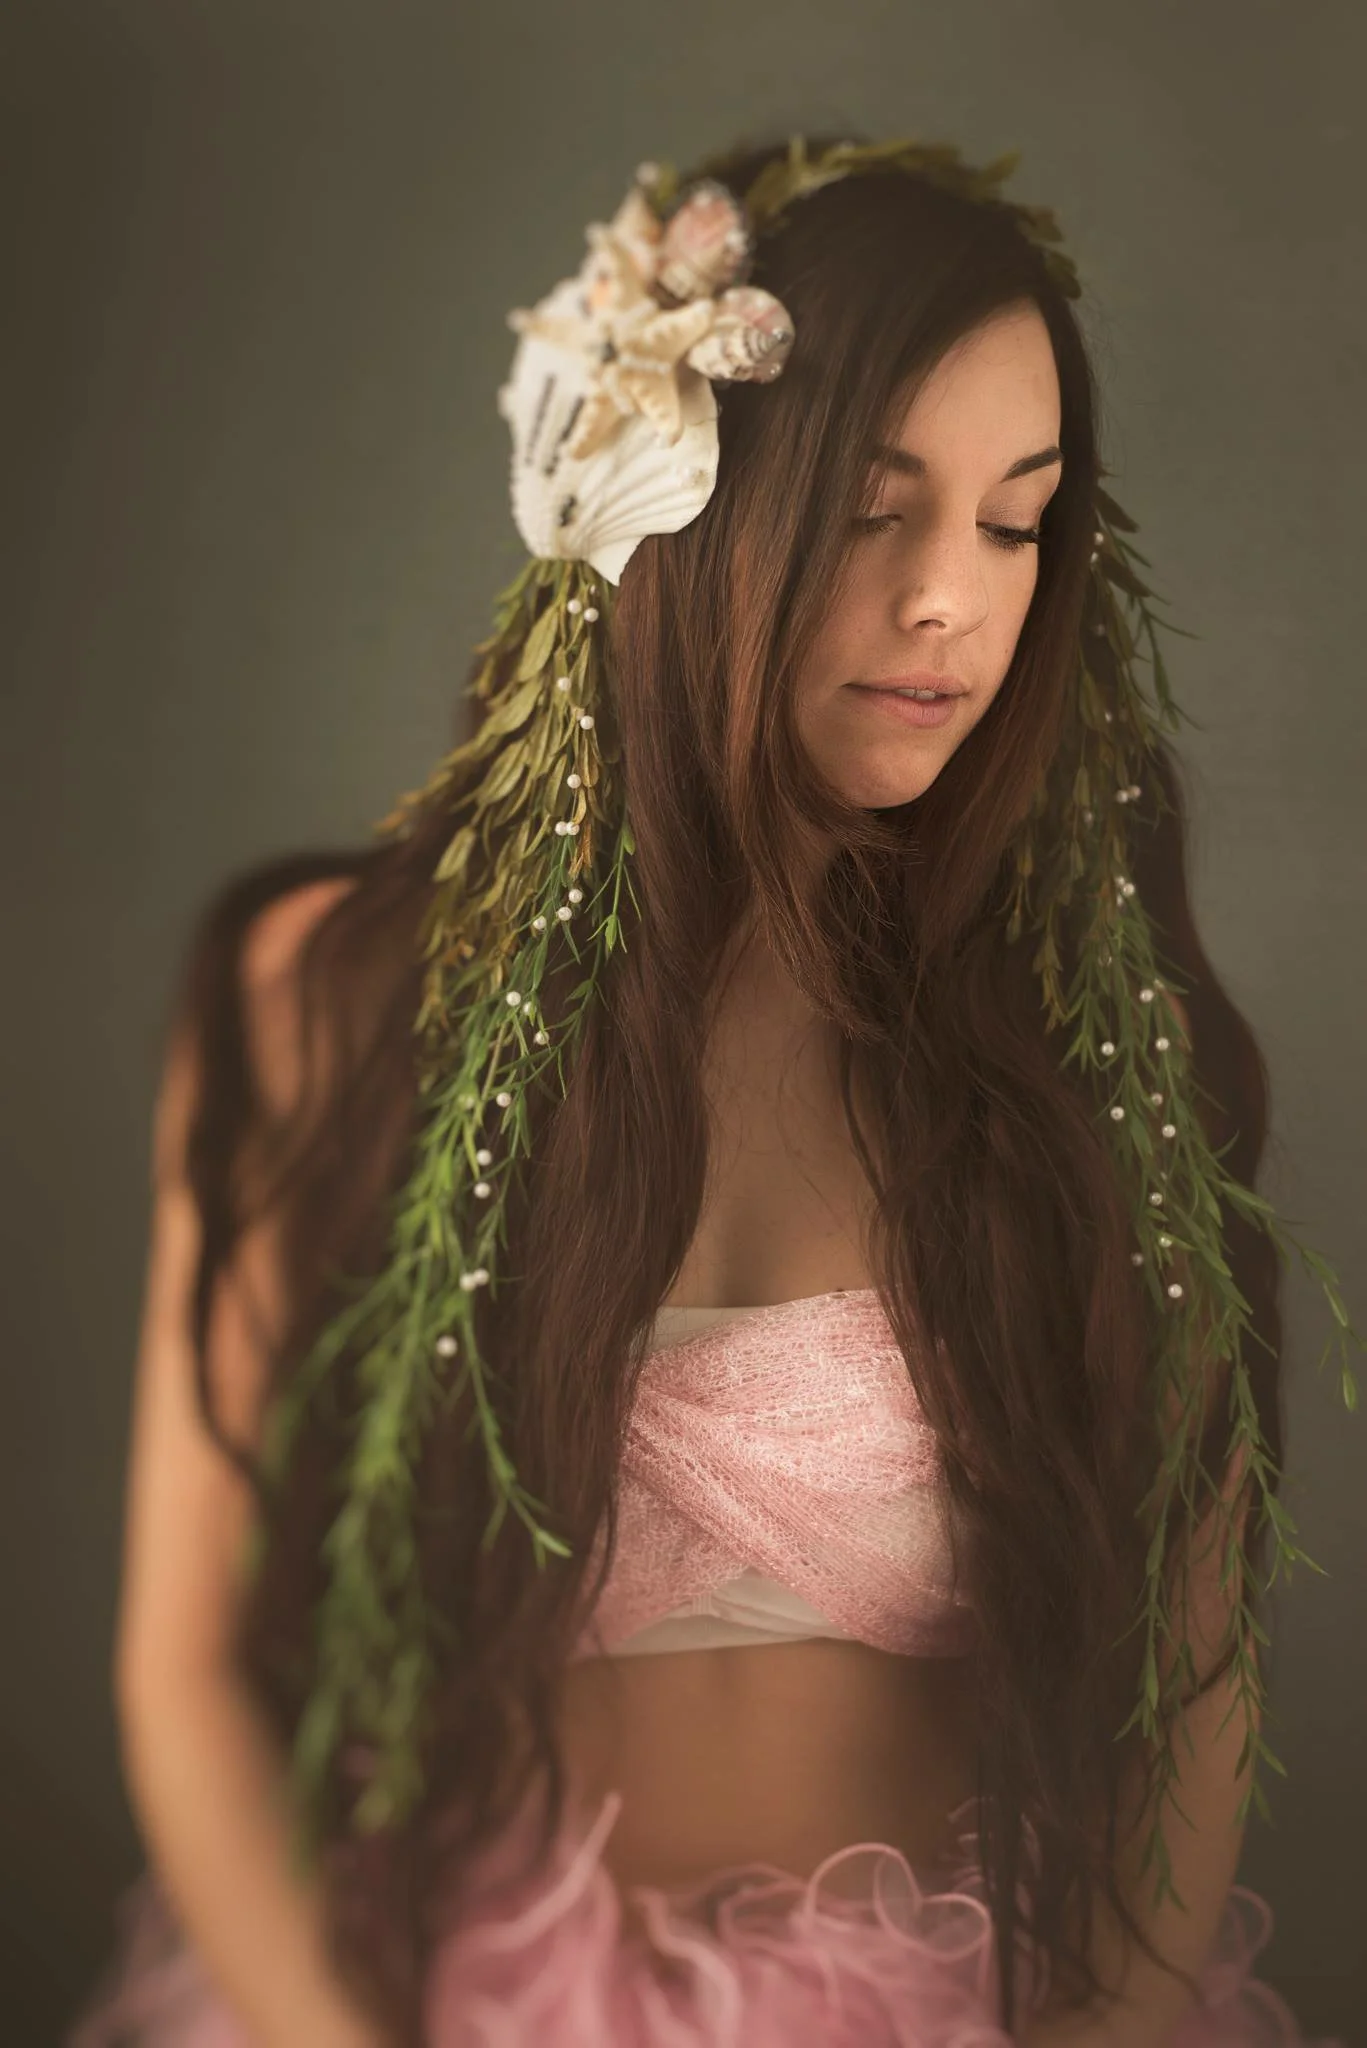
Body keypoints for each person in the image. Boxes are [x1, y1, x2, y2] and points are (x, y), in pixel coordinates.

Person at [68, 132, 1354, 2047]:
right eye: (869, 507)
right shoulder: (330, 1002)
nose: (953, 604)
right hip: (416, 2003)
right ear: (667, 497)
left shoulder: (1079, 1017)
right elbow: (185, 1671)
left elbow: (1195, 1667)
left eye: (1015, 523)